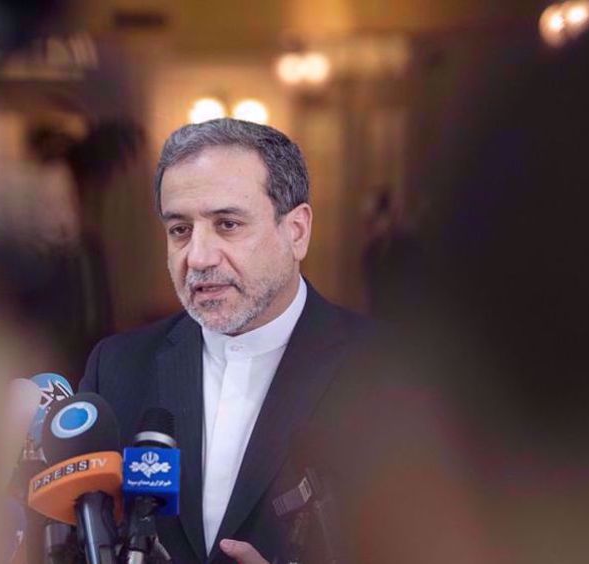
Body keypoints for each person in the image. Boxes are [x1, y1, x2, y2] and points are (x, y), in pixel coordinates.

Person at [79, 118, 380, 563]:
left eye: (227, 224)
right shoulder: (118, 368)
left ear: (296, 231)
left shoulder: (392, 372)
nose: (198, 257)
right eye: (179, 229)